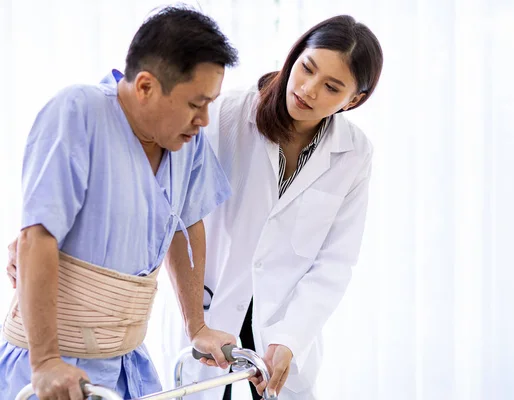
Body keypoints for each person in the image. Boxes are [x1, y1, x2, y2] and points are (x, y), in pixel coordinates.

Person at [0, 5, 239, 399]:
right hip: (52, 365)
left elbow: (184, 225)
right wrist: (44, 362)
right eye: (196, 104)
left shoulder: (185, 142)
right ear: (145, 86)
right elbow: (36, 236)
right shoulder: (79, 112)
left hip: (128, 361)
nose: (205, 120)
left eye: (210, 103)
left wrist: (197, 326)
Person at [153, 14, 384, 400]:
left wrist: (291, 339)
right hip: (211, 313)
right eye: (306, 68)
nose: (308, 90)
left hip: (282, 324)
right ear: (294, 57)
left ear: (353, 100)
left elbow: (334, 261)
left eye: (331, 87)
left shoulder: (354, 153)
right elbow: (167, 207)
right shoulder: (227, 115)